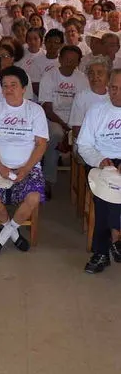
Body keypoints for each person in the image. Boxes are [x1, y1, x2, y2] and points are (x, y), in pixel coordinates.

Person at [0, 66, 49, 254]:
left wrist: (26, 169)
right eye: (5, 86)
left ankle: (5, 234)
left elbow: (41, 144)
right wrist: (1, 167)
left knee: (33, 197)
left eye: (13, 85)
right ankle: (14, 233)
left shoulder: (35, 111)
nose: (8, 89)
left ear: (24, 88)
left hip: (28, 167)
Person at [76, 69, 121, 274]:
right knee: (104, 196)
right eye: (113, 88)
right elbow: (84, 145)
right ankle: (103, 251)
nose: (116, 93)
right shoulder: (96, 111)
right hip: (100, 161)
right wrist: (100, 160)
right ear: (107, 87)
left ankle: (114, 240)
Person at [39, 45, 88, 197]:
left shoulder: (81, 79)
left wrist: (73, 128)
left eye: (73, 61)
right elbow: (47, 108)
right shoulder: (49, 76)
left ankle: (86, 184)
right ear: (60, 59)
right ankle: (48, 180)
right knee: (55, 135)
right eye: (66, 59)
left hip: (76, 119)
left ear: (78, 63)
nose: (69, 63)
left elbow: (84, 107)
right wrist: (66, 129)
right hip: (54, 119)